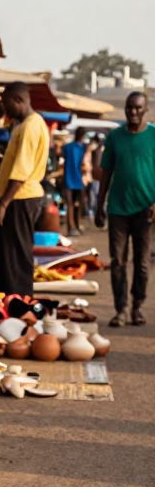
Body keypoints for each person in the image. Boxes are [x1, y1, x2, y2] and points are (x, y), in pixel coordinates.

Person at [95, 92, 155, 327]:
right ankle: (121, 309)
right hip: (118, 209)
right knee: (118, 260)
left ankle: (137, 305)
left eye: (138, 108)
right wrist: (99, 205)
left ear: (146, 109)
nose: (132, 112)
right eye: (129, 107)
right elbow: (106, 172)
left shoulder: (153, 136)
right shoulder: (114, 137)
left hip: (145, 209)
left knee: (142, 262)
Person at [0, 83, 49, 296]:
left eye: (7, 106)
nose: (5, 111)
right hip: (15, 199)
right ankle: (4, 302)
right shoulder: (23, 125)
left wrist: (3, 204)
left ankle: (19, 306)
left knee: (15, 260)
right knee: (5, 258)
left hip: (19, 200)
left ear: (18, 100)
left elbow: (21, 172)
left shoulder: (31, 126)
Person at [61, 127, 88, 235]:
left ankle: (73, 227)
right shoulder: (83, 148)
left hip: (69, 178)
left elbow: (60, 154)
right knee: (76, 204)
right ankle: (73, 227)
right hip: (77, 179)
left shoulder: (67, 147)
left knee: (71, 204)